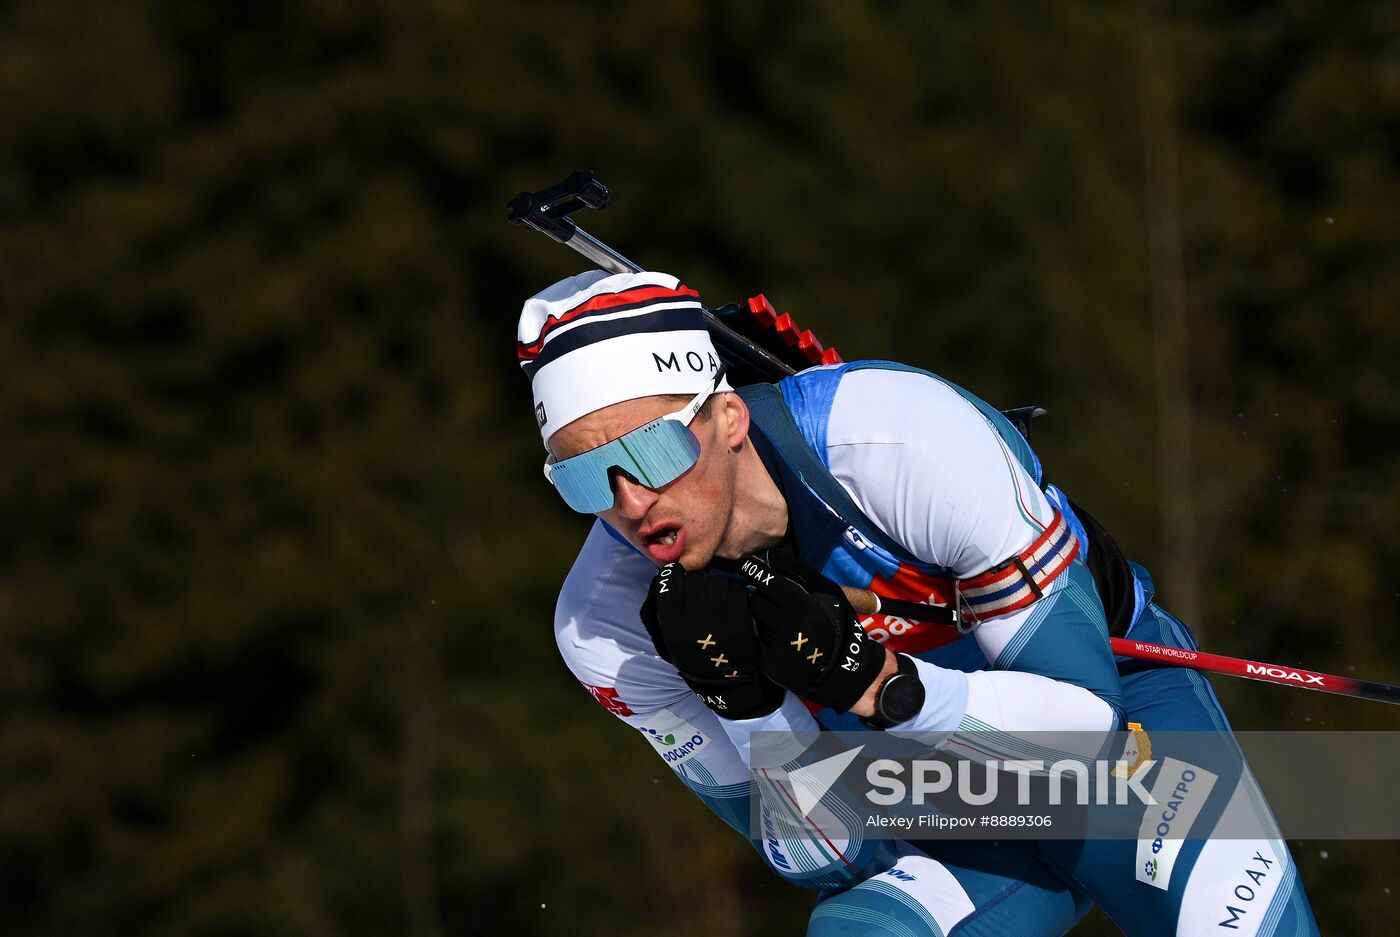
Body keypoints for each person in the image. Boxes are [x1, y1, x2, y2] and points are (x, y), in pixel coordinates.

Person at [521, 269, 1319, 936]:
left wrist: (878, 684)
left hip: (1127, 755)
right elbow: (836, 862)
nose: (629, 501)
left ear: (728, 417)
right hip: (943, 816)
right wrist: (751, 709)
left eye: (651, 449)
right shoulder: (608, 629)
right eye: (584, 477)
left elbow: (1090, 735)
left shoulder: (896, 443)